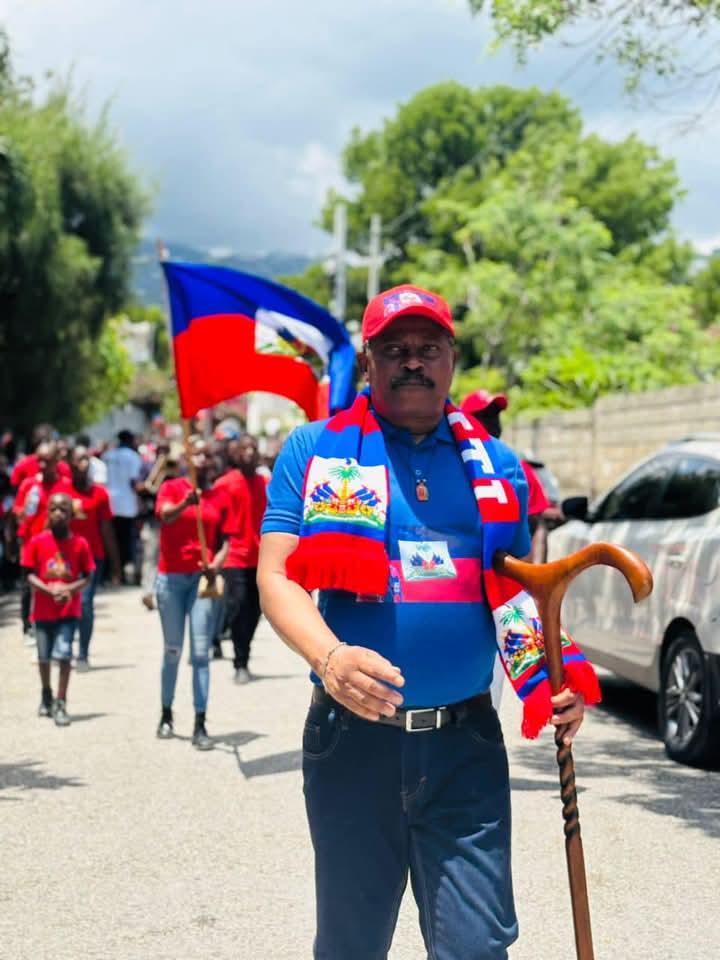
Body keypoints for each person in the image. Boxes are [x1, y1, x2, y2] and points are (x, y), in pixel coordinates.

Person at [258, 283, 594, 960]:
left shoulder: (498, 468)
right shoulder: (315, 450)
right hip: (352, 743)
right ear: (369, 360)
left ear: (452, 359)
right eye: (395, 348)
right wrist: (330, 659)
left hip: (464, 747)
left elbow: (514, 595)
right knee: (351, 947)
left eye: (428, 347)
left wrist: (556, 679)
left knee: (476, 947)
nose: (413, 360)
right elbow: (277, 576)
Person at [154, 436, 229, 750]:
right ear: (186, 458)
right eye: (196, 454)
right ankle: (166, 713)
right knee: (173, 650)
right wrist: (186, 502)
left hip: (201, 581)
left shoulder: (219, 495)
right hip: (171, 579)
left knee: (200, 653)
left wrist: (216, 564)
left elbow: (226, 540)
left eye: (206, 455)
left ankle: (200, 722)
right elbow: (164, 516)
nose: (201, 460)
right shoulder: (172, 488)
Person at [22, 492, 94, 726]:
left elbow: (87, 576)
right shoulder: (37, 542)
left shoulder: (80, 544)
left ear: (72, 514)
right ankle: (46, 693)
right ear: (47, 513)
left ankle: (61, 701)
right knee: (43, 657)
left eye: (63, 510)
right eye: (53, 509)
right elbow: (29, 574)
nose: (58, 514)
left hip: (68, 612)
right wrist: (48, 589)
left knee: (64, 654)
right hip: (42, 611)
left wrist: (69, 589)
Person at [460, 390, 552, 564]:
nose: (492, 421)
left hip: (508, 575)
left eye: (495, 415)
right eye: (484, 415)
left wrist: (538, 573)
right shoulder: (447, 463)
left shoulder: (516, 467)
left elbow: (537, 525)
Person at [214, 434, 268, 683]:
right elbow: (214, 522)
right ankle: (240, 662)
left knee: (256, 609)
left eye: (253, 448)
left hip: (261, 558)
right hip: (234, 556)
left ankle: (243, 650)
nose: (249, 452)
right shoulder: (224, 484)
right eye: (244, 448)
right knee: (237, 606)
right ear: (235, 454)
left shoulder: (267, 483)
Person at [10, 442, 73, 636]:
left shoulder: (65, 485)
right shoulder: (29, 485)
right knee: (28, 586)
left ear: (56, 461)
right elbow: (18, 512)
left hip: (56, 548)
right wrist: (24, 509)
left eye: (47, 461)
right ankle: (28, 626)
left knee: (56, 584)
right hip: (31, 544)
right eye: (40, 461)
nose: (42, 466)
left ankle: (59, 625)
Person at [69, 446, 121, 670]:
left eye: (86, 460)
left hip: (92, 557)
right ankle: (64, 647)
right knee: (67, 602)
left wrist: (115, 564)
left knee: (85, 603)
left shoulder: (99, 494)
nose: (83, 464)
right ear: (70, 463)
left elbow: (107, 529)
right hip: (64, 557)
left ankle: (83, 653)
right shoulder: (62, 491)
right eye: (78, 460)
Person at [103, 430, 142, 584]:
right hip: (126, 504)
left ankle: (111, 572)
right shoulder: (132, 456)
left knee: (110, 539)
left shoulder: (108, 455)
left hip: (109, 501)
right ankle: (122, 573)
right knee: (125, 541)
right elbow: (133, 481)